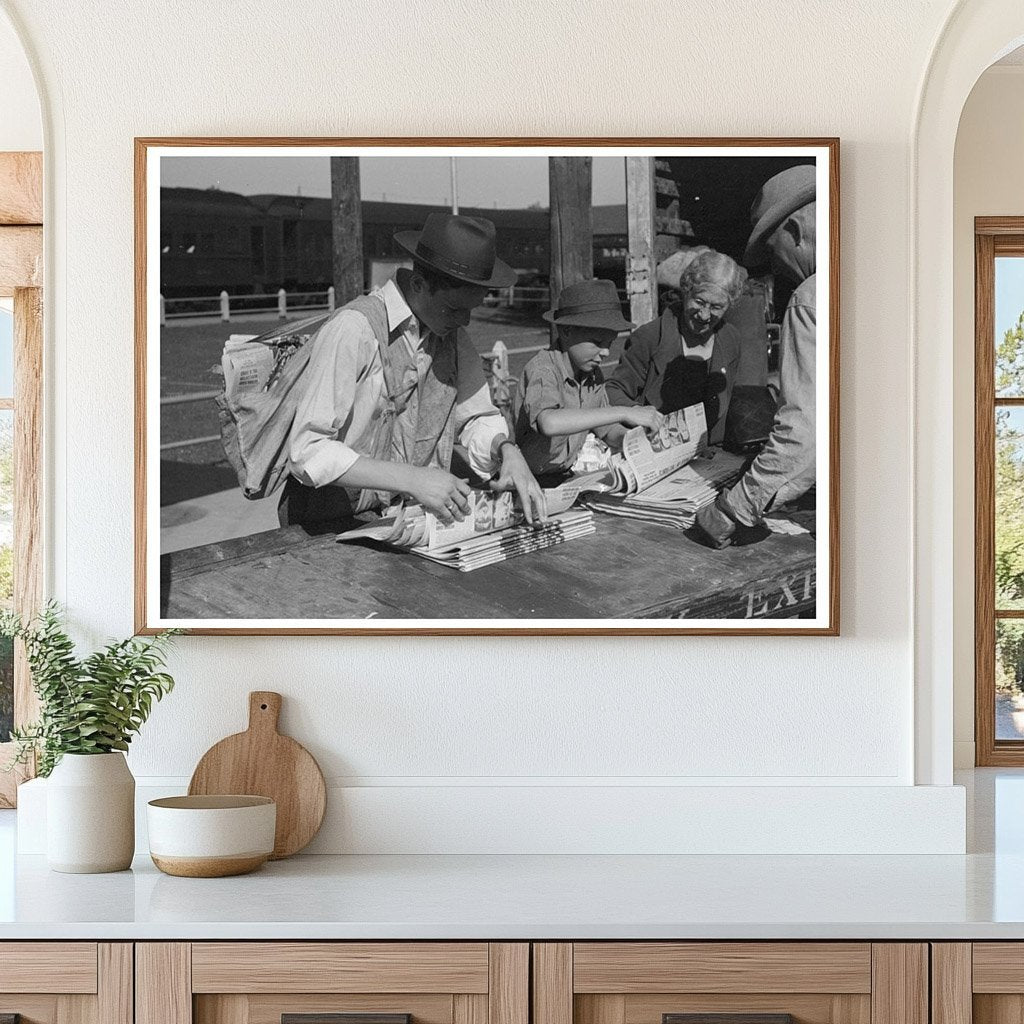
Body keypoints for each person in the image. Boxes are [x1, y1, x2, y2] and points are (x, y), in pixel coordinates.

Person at [278, 212, 547, 528]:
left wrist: (506, 450)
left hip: (398, 519)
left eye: (472, 309)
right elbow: (307, 452)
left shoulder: (452, 336)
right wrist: (413, 479)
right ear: (418, 284)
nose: (465, 321)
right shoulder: (354, 329)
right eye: (455, 309)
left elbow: (477, 417)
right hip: (326, 518)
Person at [694, 164, 817, 548]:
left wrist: (733, 509)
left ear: (794, 232)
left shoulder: (812, 296)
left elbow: (806, 432)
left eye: (770, 250)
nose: (774, 266)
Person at [513, 279, 662, 484]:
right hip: (526, 478)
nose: (606, 352)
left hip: (564, 475)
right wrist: (626, 411)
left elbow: (606, 430)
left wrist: (632, 439)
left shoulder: (593, 375)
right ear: (566, 331)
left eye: (609, 343)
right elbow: (549, 422)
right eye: (597, 342)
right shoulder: (544, 369)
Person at [605, 249, 750, 445]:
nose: (705, 315)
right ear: (686, 290)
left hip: (712, 454)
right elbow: (614, 390)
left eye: (716, 307)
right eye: (699, 302)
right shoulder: (650, 337)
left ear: (729, 305)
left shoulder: (730, 338)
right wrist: (635, 413)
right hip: (657, 447)